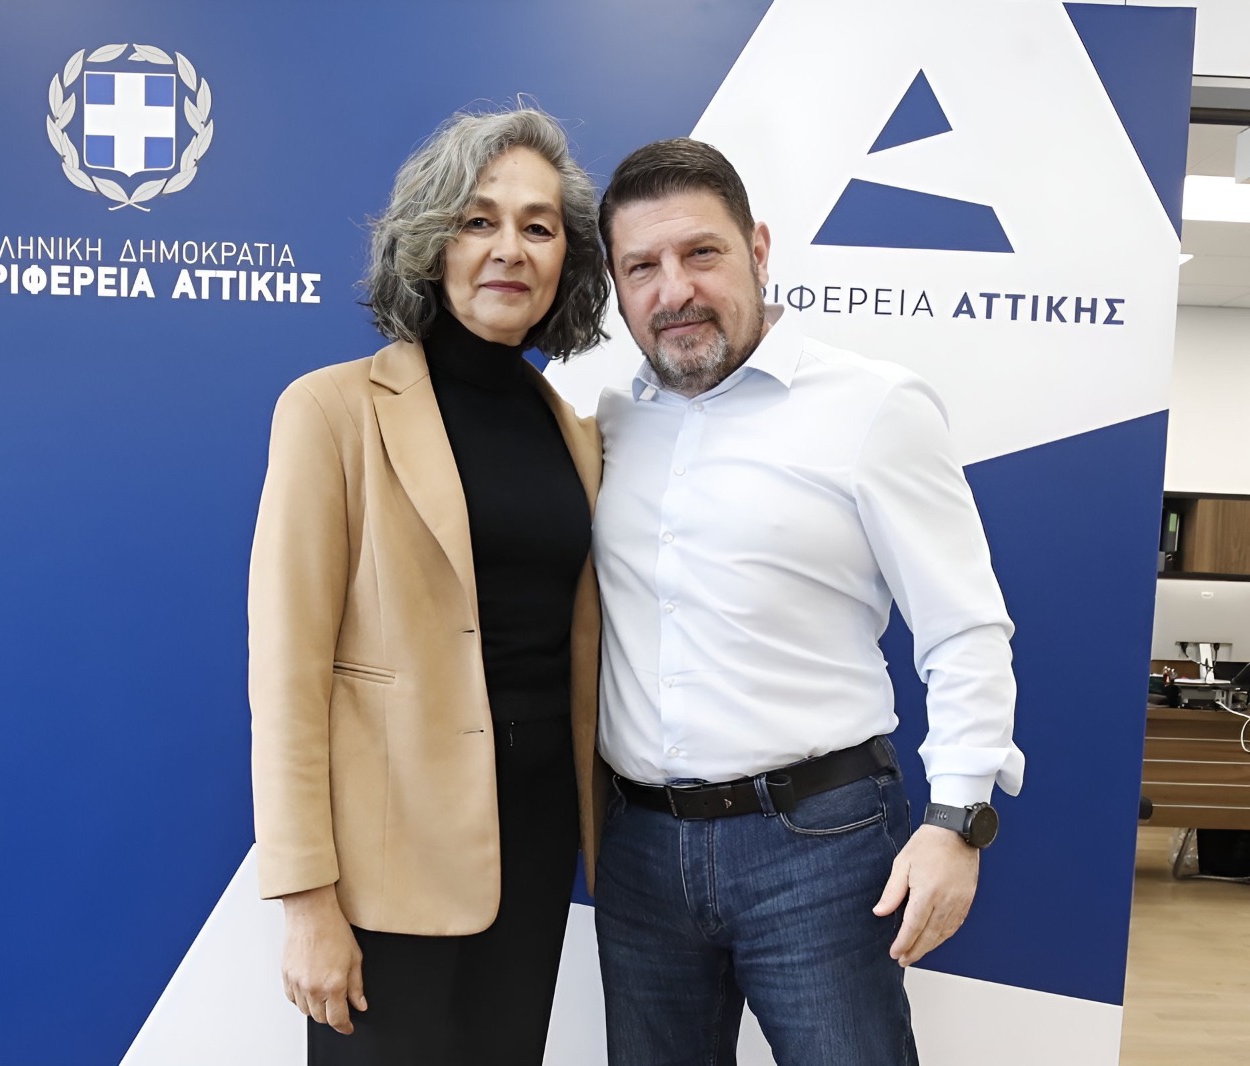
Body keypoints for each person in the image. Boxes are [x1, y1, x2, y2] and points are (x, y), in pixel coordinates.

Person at [589, 137, 1025, 1065]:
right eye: (642, 267)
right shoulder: (612, 422)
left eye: (701, 252)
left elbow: (965, 629)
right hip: (638, 852)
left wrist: (957, 822)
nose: (675, 290)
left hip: (820, 846)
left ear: (758, 248)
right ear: (617, 287)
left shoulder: (874, 407)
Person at [247, 107, 611, 1066]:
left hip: (535, 845)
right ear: (431, 241)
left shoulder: (576, 433)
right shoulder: (331, 411)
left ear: (568, 260)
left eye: (539, 227)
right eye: (478, 220)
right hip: (386, 866)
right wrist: (306, 902)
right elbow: (287, 677)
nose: (509, 249)